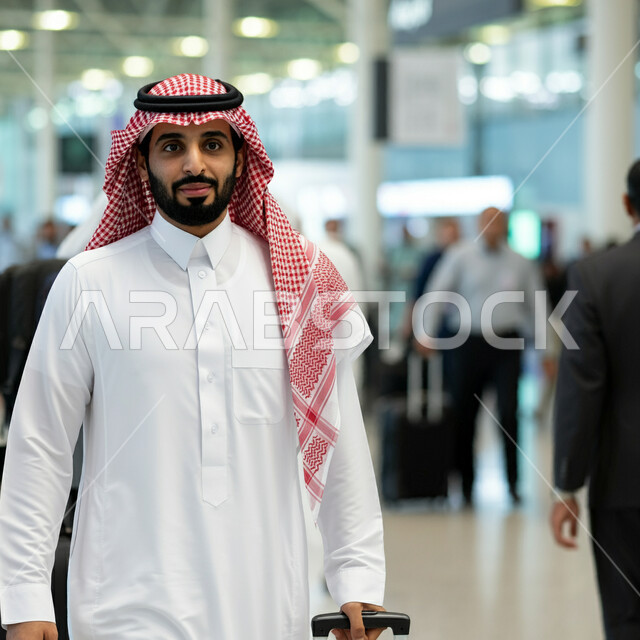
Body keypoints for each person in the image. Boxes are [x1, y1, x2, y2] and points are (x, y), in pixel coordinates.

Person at [0, 75, 385, 640]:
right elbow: (40, 448)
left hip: (266, 605)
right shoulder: (88, 282)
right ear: (141, 164)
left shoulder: (300, 279)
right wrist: (26, 598)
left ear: (240, 158)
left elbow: (342, 444)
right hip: (123, 606)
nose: (194, 164)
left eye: (213, 143)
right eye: (172, 147)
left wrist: (358, 583)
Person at [550, 158, 640, 640]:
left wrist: (567, 483)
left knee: (627, 616)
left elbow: (580, 387)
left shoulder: (596, 276)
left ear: (627, 205)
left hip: (624, 481)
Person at [418, 207, 544, 505]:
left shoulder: (520, 262)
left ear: (506, 227)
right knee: (464, 415)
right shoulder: (461, 256)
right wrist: (426, 333)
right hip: (467, 343)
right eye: (487, 222)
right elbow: (437, 292)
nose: (493, 228)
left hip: (506, 344)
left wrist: (545, 351)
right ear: (478, 225)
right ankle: (466, 486)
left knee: (510, 414)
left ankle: (513, 484)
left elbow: (537, 306)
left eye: (498, 222)